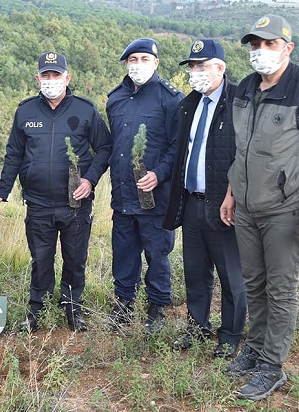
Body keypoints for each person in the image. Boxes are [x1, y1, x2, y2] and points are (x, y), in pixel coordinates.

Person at [220, 15, 299, 400]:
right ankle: (254, 350)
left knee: (281, 288)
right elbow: (242, 149)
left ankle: (272, 366)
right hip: (247, 206)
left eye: (270, 44)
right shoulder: (246, 89)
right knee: (253, 283)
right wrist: (231, 193)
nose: (260, 52)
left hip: (286, 209)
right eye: (255, 45)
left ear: (288, 48)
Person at [0, 52, 111, 333]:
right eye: (45, 75)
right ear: (37, 78)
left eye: (56, 75)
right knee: (41, 260)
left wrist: (90, 180)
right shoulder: (26, 111)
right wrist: (2, 192)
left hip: (75, 204)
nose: (50, 80)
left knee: (75, 259)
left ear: (67, 78)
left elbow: (105, 148)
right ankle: (38, 311)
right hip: (38, 203)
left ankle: (73, 310)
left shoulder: (85, 110)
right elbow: (14, 155)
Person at [164, 39, 246, 358]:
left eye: (202, 66)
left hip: (225, 205)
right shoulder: (188, 105)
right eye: (193, 67)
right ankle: (197, 328)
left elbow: (247, 154)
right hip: (192, 202)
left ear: (220, 68)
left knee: (231, 275)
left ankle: (229, 337)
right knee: (195, 273)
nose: (196, 72)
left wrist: (234, 195)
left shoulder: (240, 101)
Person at [106, 38, 184, 332]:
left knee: (157, 253)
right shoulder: (115, 99)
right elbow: (115, 144)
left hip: (155, 196)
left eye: (143, 59)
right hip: (123, 194)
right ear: (126, 64)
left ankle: (156, 308)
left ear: (156, 62)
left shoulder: (170, 99)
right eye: (132, 60)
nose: (137, 65)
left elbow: (178, 146)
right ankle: (124, 305)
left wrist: (160, 173)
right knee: (124, 252)